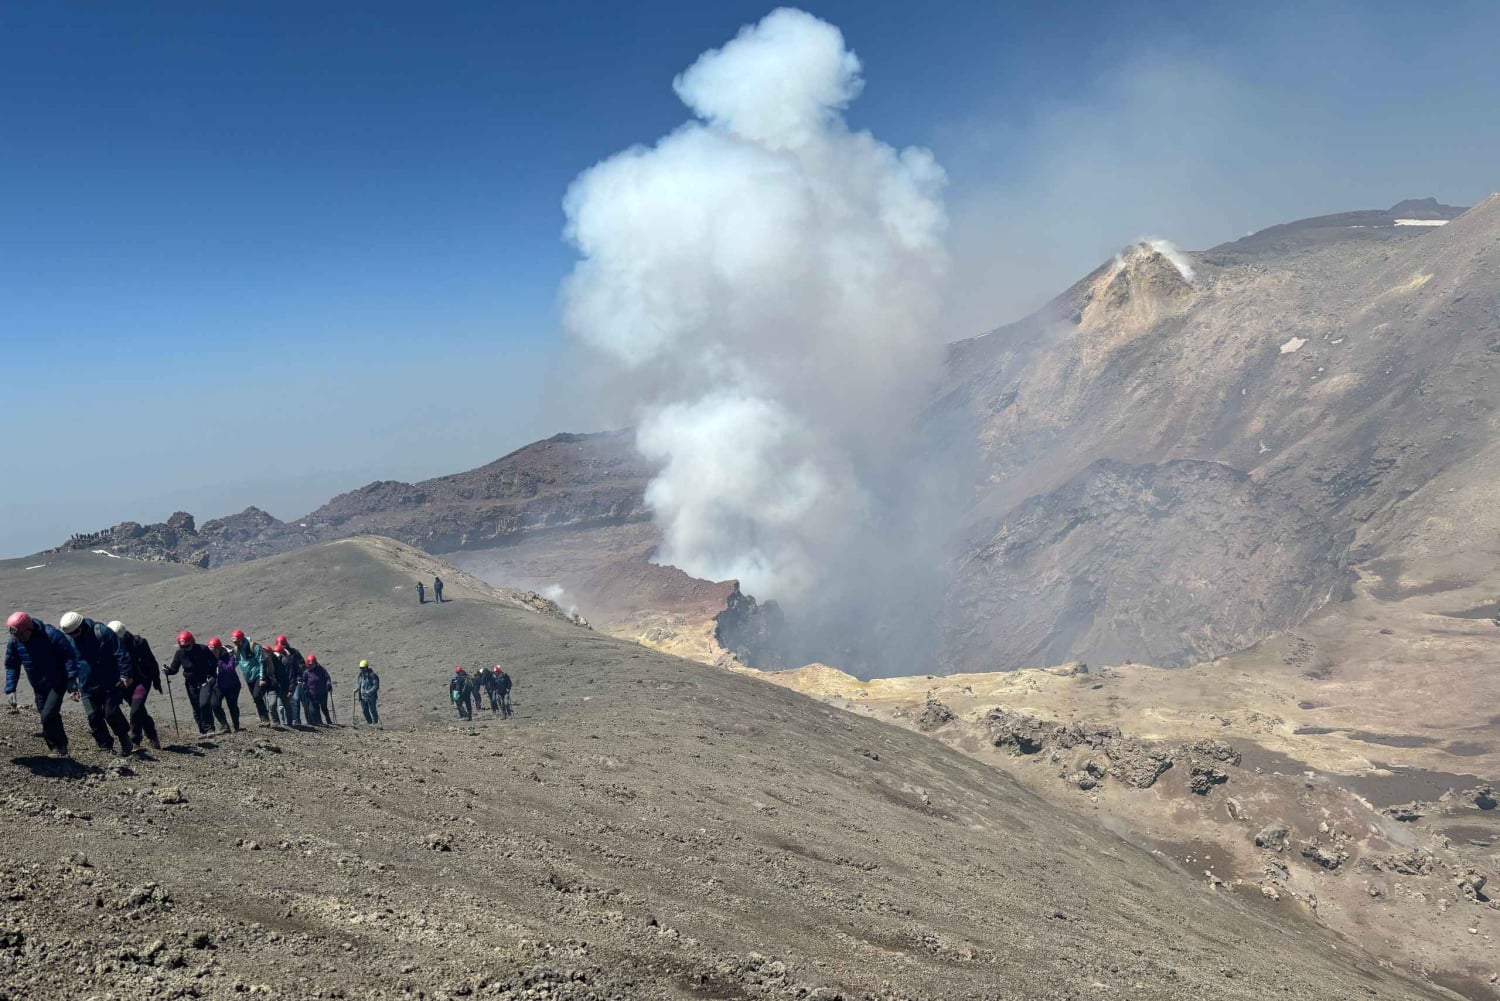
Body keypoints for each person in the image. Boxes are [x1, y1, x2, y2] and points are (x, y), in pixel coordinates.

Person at [57, 611, 134, 757]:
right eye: (71, 634)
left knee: (111, 713)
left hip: (109, 683)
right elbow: (68, 664)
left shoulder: (101, 631)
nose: (74, 636)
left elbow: (120, 652)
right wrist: (72, 686)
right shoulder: (68, 640)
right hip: (86, 686)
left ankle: (125, 741)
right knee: (93, 717)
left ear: (82, 625)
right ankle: (105, 748)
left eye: (76, 632)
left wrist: (125, 674)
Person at [5, 611, 78, 758]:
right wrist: (11, 689)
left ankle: (59, 748)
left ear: (29, 629)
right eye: (16, 635)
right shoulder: (15, 641)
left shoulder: (50, 635)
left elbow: (68, 656)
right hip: (38, 685)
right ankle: (58, 748)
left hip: (57, 682)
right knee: (49, 716)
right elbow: (12, 665)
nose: (19, 638)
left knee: (48, 715)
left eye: (21, 634)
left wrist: (71, 681)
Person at [107, 620, 162, 751]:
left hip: (141, 681)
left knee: (136, 710)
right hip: (124, 683)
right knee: (139, 710)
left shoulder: (138, 643)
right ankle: (152, 735)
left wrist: (156, 680)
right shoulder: (109, 645)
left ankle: (135, 740)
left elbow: (151, 662)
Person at [166, 630, 220, 737]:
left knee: (204, 704)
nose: (186, 648)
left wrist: (213, 676)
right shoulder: (179, 653)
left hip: (205, 681)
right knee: (196, 707)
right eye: (183, 646)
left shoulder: (203, 649)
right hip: (190, 683)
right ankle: (202, 730)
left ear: (192, 642)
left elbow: (214, 662)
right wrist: (167, 671)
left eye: (188, 645)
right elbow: (174, 669)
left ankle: (209, 729)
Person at [232, 630, 282, 725]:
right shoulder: (237, 650)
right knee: (256, 699)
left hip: (258, 675)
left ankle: (266, 718)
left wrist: (262, 677)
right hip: (248, 677)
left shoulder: (254, 647)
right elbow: (237, 661)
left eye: (237, 641)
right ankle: (264, 719)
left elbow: (261, 661)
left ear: (241, 639)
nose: (236, 643)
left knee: (257, 695)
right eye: (234, 642)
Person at [209, 637, 242, 732]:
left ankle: (236, 725)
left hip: (232, 684)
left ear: (219, 648)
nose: (213, 653)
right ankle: (224, 725)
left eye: (214, 651)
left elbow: (230, 668)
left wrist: (219, 662)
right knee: (214, 704)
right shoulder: (209, 655)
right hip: (218, 684)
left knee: (232, 705)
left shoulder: (229, 653)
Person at [303, 655, 333, 724]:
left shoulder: (321, 669)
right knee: (315, 709)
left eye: (313, 664)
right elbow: (304, 681)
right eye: (311, 664)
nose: (312, 666)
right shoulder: (306, 672)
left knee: (324, 707)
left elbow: (327, 677)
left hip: (322, 692)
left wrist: (328, 684)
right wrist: (305, 687)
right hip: (312, 694)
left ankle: (328, 719)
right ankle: (319, 722)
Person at [356, 660, 380, 725]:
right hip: (363, 697)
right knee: (364, 711)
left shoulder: (372, 675)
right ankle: (369, 723)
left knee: (372, 710)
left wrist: (369, 692)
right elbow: (360, 684)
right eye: (360, 668)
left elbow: (376, 685)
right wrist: (357, 689)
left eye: (363, 668)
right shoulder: (360, 675)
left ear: (366, 667)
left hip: (370, 697)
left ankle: (375, 723)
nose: (361, 669)